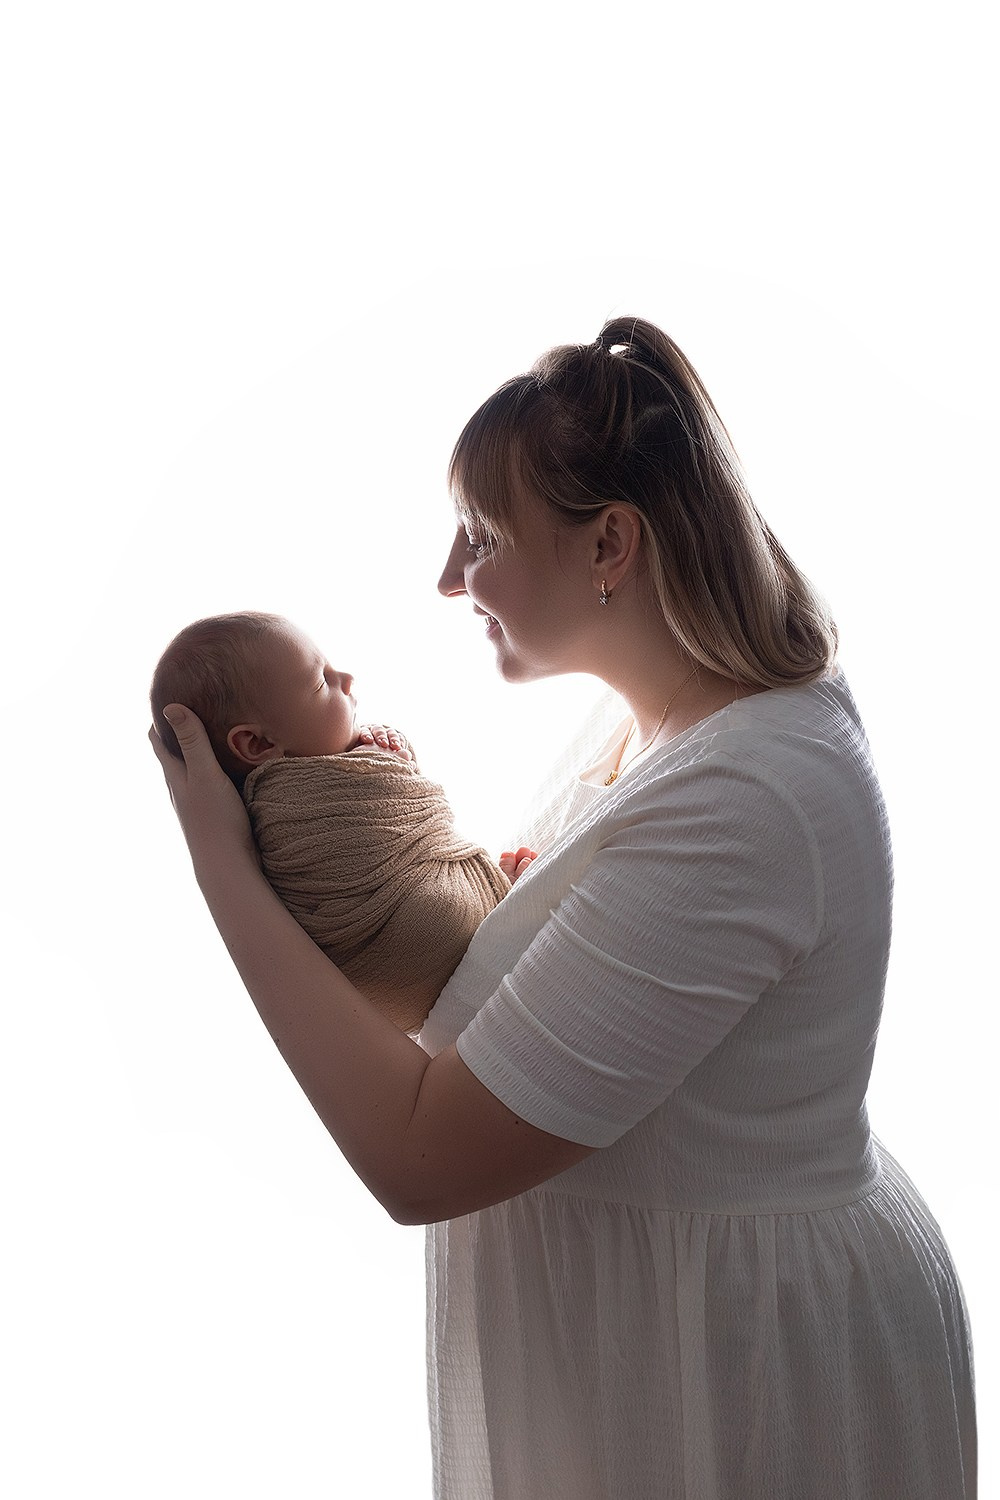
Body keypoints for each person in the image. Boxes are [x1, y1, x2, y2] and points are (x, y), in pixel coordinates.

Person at [151, 317, 976, 1500]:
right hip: (658, 1330)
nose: (448, 578)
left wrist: (222, 870)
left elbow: (419, 1161)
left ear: (610, 545)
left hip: (729, 1372)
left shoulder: (747, 794)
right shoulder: (658, 719)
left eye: (481, 537)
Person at [151, 612, 515, 1032]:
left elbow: (399, 809)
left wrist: (383, 756)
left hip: (393, 995)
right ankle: (487, 899)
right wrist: (388, 762)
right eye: (322, 681)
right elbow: (386, 794)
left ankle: (483, 895)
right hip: (407, 944)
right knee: (447, 912)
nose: (345, 677)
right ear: (257, 743)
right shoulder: (284, 810)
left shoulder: (329, 774)